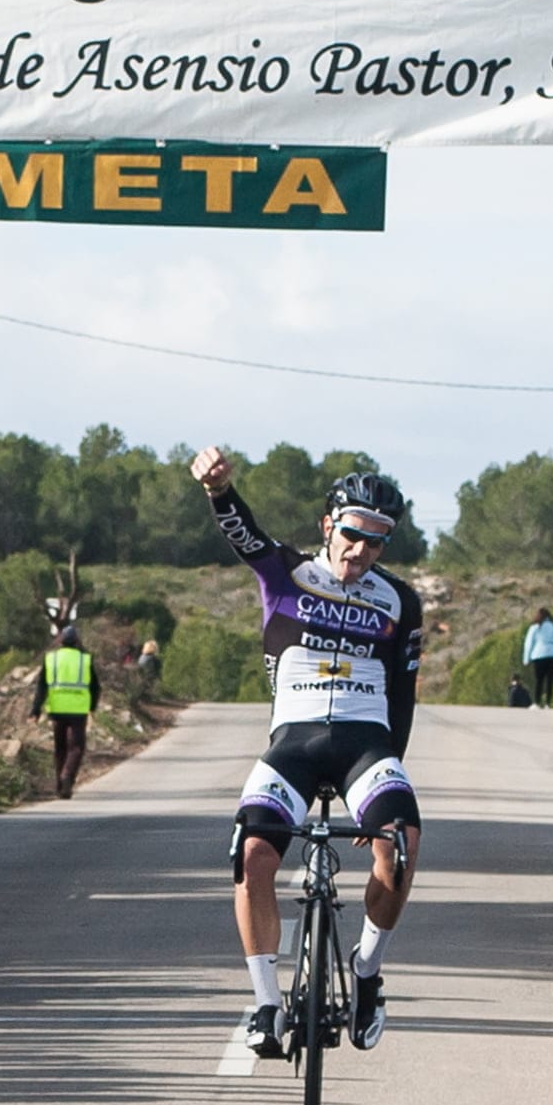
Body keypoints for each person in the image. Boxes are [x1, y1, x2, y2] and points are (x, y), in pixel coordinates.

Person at [190, 445, 422, 1058]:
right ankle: (267, 1003)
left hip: (365, 746)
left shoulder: (400, 601)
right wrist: (218, 491)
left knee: (401, 845)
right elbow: (244, 535)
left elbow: (403, 698)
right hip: (292, 743)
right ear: (329, 525)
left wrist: (376, 804)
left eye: (377, 542)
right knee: (252, 853)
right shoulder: (285, 572)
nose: (360, 551)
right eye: (352, 535)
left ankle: (368, 974)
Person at [30, 625, 100, 799]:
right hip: (78, 710)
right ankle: (67, 776)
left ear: (60, 641)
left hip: (57, 708)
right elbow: (96, 687)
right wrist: (92, 707)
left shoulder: (51, 659)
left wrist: (35, 709)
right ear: (76, 641)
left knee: (60, 747)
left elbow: (41, 686)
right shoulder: (85, 659)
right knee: (76, 747)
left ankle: (60, 786)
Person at [522, 607, 553, 708]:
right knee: (550, 680)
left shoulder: (535, 628)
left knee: (539, 680)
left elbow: (529, 644)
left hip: (539, 655)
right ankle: (548, 703)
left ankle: (536, 702)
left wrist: (526, 659)